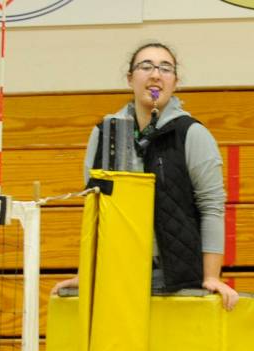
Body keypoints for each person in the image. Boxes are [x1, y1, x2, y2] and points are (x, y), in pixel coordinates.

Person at [51, 41, 238, 310]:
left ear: (175, 81)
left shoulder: (192, 133)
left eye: (165, 68)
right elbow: (95, 209)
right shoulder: (105, 133)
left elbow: (212, 207)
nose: (155, 74)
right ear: (130, 78)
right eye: (146, 66)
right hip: (117, 274)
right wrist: (86, 273)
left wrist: (211, 277)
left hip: (175, 279)